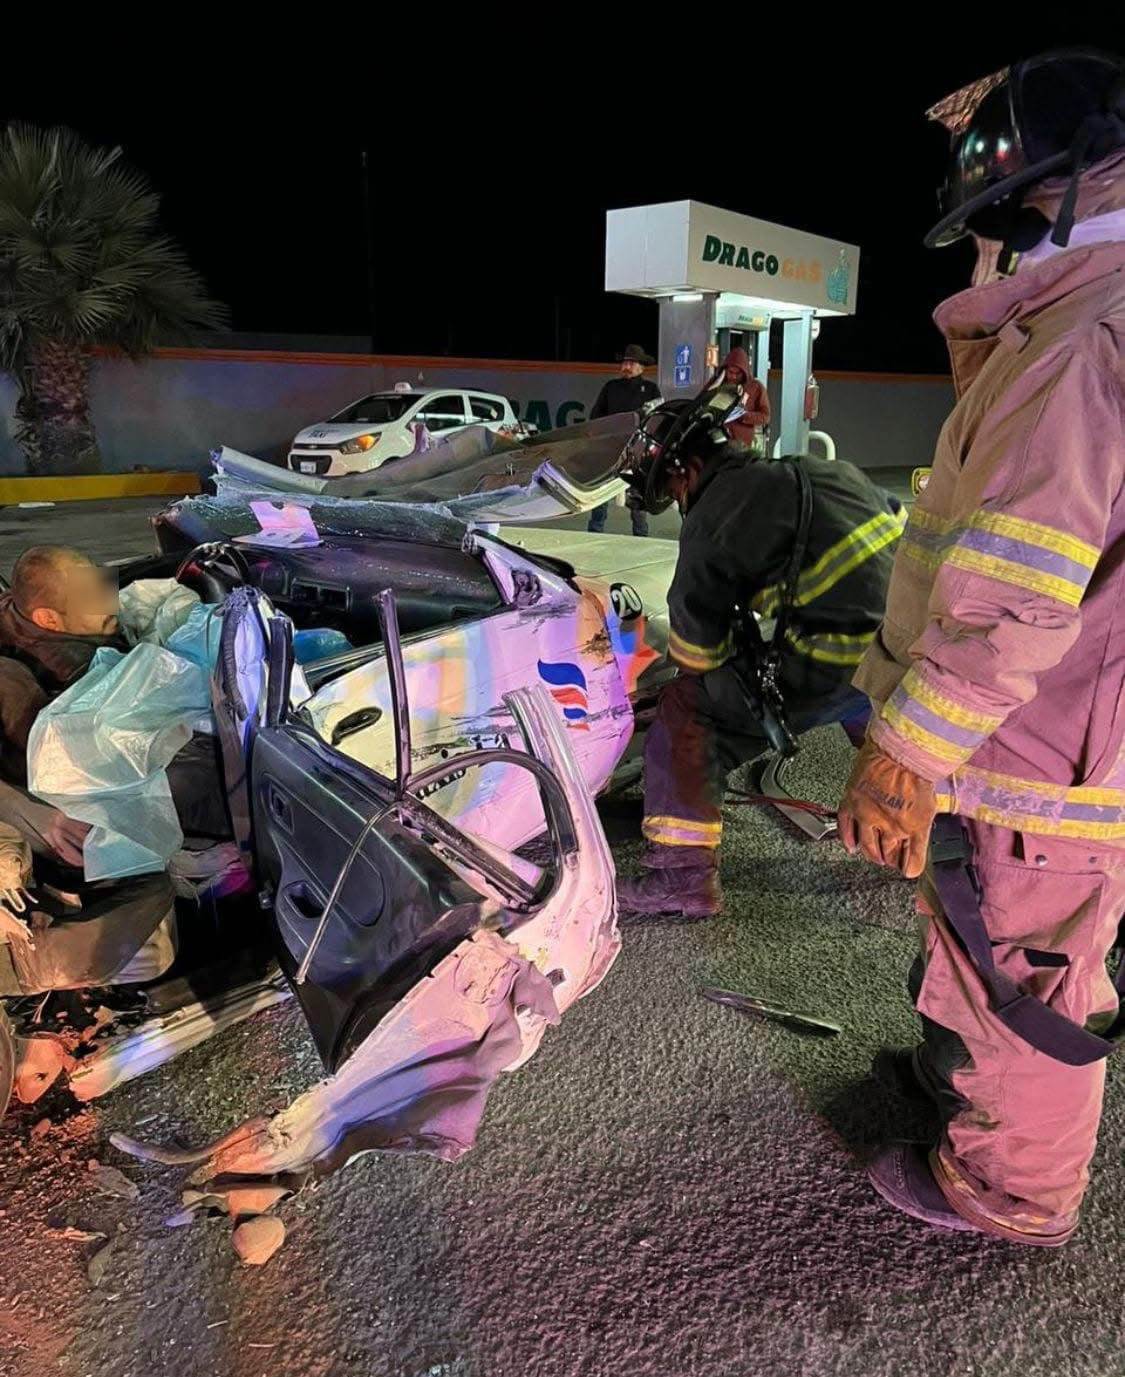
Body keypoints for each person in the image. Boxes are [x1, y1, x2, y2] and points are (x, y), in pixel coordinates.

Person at [839, 49, 1125, 1247]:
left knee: (1026, 972)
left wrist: (901, 757)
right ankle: (963, 1095)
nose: (987, 248)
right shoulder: (1075, 325)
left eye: (1002, 220)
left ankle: (1012, 1194)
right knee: (977, 933)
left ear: (1054, 199)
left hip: (1044, 744)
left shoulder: (1074, 345)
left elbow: (1011, 589)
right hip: (1048, 729)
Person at [614, 384, 903, 918]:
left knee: (687, 708)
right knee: (882, 717)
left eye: (673, 487)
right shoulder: (821, 471)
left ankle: (681, 877)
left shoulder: (713, 517)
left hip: (833, 666)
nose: (678, 499)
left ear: (687, 469)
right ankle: (914, 831)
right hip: (900, 659)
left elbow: (698, 656)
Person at [586, 345, 662, 537]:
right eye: (625, 362)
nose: (626, 366)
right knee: (600, 494)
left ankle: (641, 537)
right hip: (610, 448)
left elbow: (657, 419)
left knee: (637, 497)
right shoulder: (611, 387)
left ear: (641, 367)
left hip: (637, 449)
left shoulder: (651, 390)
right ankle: (594, 533)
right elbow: (596, 415)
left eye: (631, 362)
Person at [716, 346, 770, 449]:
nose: (734, 376)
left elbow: (765, 416)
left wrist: (743, 416)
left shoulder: (755, 387)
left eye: (738, 373)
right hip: (717, 443)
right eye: (731, 372)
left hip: (741, 447)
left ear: (744, 372)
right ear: (725, 370)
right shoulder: (716, 384)